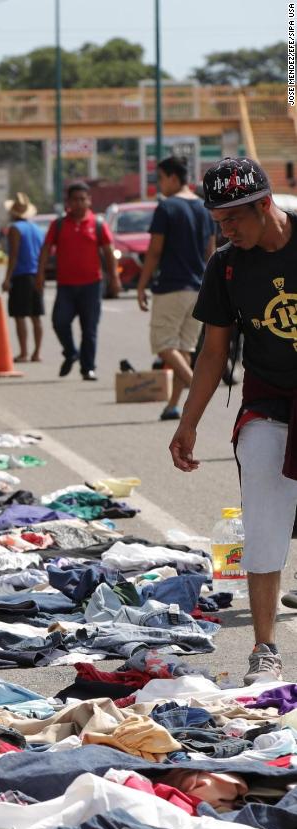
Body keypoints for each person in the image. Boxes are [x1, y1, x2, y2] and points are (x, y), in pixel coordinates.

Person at [170, 157, 297, 684]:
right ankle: (264, 646)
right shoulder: (226, 266)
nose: (226, 230)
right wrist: (188, 422)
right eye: (218, 221)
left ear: (265, 204)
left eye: (234, 219)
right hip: (268, 402)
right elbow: (213, 353)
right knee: (263, 518)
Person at [136, 155, 215, 420]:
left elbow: (155, 251)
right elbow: (211, 251)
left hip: (171, 287)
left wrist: (142, 284)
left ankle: (198, 390)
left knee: (163, 344)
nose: (159, 184)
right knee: (184, 348)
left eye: (160, 178)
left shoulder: (167, 207)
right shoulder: (205, 208)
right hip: (198, 287)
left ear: (172, 177)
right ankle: (172, 406)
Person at [36, 181, 121, 380]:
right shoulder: (58, 225)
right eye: (75, 199)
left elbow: (108, 252)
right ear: (68, 202)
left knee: (89, 328)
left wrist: (114, 278)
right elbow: (46, 250)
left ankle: (88, 368)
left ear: (89, 201)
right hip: (65, 285)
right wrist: (39, 274)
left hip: (92, 284)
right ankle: (70, 352)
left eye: (83, 199)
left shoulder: (98, 225)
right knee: (59, 322)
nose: (79, 203)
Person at [1, 192, 46, 363]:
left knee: (20, 315)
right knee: (36, 316)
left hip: (21, 276)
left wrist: (7, 279)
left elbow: (13, 255)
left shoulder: (15, 229)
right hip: (36, 274)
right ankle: (37, 353)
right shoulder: (37, 229)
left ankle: (24, 352)